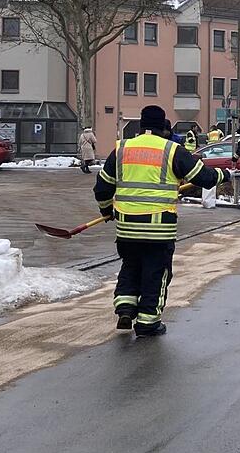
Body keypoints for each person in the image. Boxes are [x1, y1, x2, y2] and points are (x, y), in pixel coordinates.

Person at [94, 105, 231, 337]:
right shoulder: (172, 150)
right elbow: (204, 178)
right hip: (158, 229)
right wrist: (224, 174)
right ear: (164, 127)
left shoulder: (122, 149)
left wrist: (107, 211)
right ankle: (148, 321)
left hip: (127, 228)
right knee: (155, 272)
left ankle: (125, 308)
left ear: (140, 124)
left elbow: (102, 188)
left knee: (130, 266)